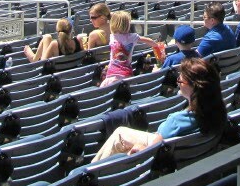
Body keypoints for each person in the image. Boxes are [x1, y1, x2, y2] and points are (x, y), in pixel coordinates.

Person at [91, 58, 227, 162]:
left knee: (120, 136)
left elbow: (151, 154)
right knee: (121, 133)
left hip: (165, 163)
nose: (178, 82)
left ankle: (92, 171)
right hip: (190, 159)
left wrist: (140, 148)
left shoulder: (176, 121)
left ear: (194, 88)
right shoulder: (219, 112)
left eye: (181, 81)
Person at [100, 10, 157, 87]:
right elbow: (149, 41)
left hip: (112, 74)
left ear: (112, 24)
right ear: (128, 25)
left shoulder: (112, 37)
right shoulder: (133, 37)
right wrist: (156, 46)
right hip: (126, 74)